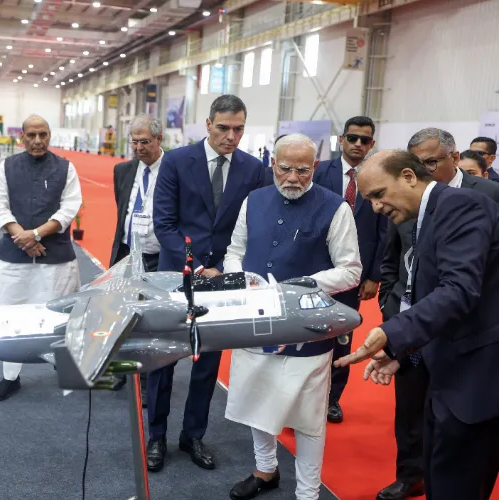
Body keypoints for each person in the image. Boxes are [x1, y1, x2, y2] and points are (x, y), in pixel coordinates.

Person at [336, 149, 499, 500]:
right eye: (369, 200)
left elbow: (458, 291)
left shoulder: (460, 206)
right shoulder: (425, 216)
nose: (376, 207)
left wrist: (389, 333)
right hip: (445, 370)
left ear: (409, 176)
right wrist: (404, 354)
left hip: (475, 380)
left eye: (379, 194)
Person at [223, 133, 362, 500]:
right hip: (255, 322)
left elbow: (350, 270)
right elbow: (234, 251)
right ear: (273, 164)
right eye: (285, 168)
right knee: (256, 401)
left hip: (308, 331)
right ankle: (265, 470)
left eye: (303, 170)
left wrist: (302, 285)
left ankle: (308, 492)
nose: (293, 178)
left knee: (308, 418)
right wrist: (241, 278)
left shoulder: (335, 207)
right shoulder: (253, 201)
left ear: (315, 167)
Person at [148, 94, 265, 472]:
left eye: (238, 129)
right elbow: (164, 224)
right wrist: (195, 265)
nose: (231, 136)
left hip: (223, 279)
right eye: (224, 128)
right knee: (163, 359)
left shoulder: (253, 168)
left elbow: (250, 227)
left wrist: (227, 269)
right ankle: (156, 436)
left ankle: (193, 435)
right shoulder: (177, 161)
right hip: (176, 275)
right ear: (208, 124)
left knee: (207, 363)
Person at [0, 114, 82, 401]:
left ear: (50, 135)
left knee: (59, 316)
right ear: (22, 137)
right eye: (31, 135)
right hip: (12, 259)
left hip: (56, 260)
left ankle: (63, 368)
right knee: (8, 318)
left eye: (43, 134)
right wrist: (24, 238)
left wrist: (37, 234)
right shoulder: (6, 167)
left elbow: (69, 209)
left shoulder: (66, 168)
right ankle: (10, 377)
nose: (38, 141)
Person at [313, 116, 388, 423]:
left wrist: (374, 276)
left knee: (343, 336)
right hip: (318, 270)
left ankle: (332, 398)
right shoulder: (320, 171)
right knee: (311, 334)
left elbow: (385, 230)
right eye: (353, 137)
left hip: (356, 275)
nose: (358, 144)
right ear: (341, 139)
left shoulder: (380, 176)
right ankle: (306, 397)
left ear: (372, 144)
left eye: (365, 140)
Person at [108, 114, 165, 396]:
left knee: (150, 319)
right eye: (134, 142)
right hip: (126, 254)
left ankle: (146, 379)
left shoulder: (173, 170)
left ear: (159, 140)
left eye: (145, 142)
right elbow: (123, 212)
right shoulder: (123, 170)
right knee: (121, 314)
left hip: (158, 257)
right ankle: (123, 370)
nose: (139, 148)